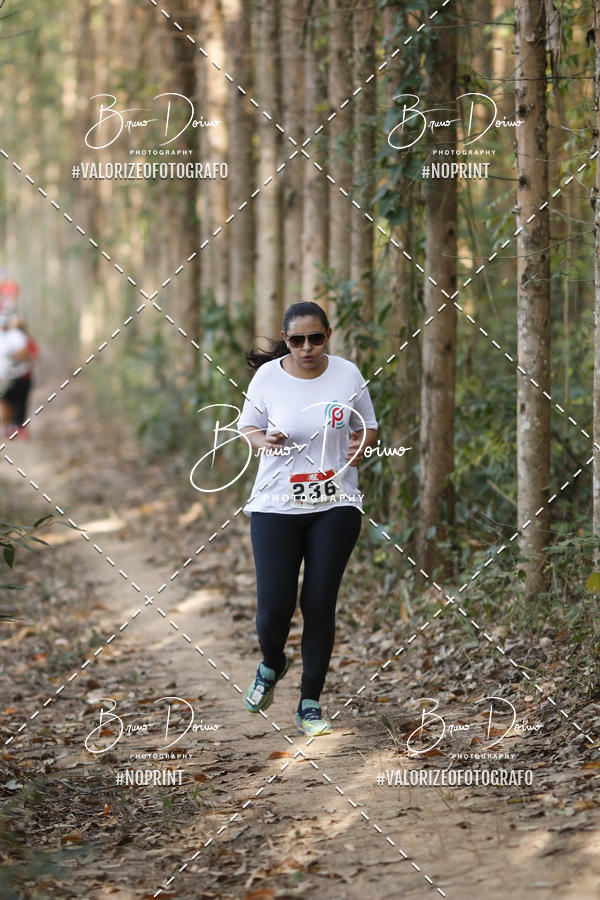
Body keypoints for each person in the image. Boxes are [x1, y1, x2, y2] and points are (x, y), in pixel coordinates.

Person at [237, 301, 378, 737]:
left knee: (319, 603)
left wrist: (361, 446)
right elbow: (248, 428)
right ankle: (273, 662)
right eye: (297, 340)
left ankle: (310, 703)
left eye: (315, 338)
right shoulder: (267, 378)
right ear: (286, 339)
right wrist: (266, 439)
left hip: (335, 504)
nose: (307, 347)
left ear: (328, 335)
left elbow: (369, 427)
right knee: (274, 608)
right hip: (276, 505)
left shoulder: (348, 374)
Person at [0, 314, 34, 437]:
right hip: (4, 376)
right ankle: (7, 427)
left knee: (20, 402)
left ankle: (19, 427)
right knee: (5, 402)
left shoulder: (17, 335)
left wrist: (14, 357)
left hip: (20, 375)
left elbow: (25, 353)